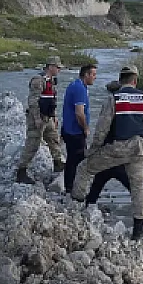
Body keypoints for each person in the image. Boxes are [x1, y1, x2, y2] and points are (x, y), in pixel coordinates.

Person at [72, 65, 143, 241]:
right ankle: (138, 229)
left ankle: (75, 205)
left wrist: (93, 150)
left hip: (116, 149)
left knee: (84, 168)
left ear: (120, 81)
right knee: (138, 187)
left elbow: (102, 128)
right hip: (138, 149)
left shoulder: (113, 99)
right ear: (135, 81)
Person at [15, 56, 65, 184]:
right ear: (51, 66)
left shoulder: (52, 81)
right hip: (37, 118)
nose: (59, 70)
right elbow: (33, 101)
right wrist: (36, 118)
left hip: (48, 118)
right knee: (32, 144)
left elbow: (52, 100)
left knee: (54, 140)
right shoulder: (38, 80)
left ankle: (58, 163)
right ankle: (21, 171)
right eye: (57, 67)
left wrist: (54, 117)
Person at [60, 64, 96, 193]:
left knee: (72, 159)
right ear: (86, 75)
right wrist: (86, 128)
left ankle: (70, 186)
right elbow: (79, 113)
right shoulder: (80, 89)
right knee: (78, 161)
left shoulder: (76, 85)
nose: (95, 78)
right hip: (75, 131)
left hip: (68, 129)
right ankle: (72, 188)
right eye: (93, 75)